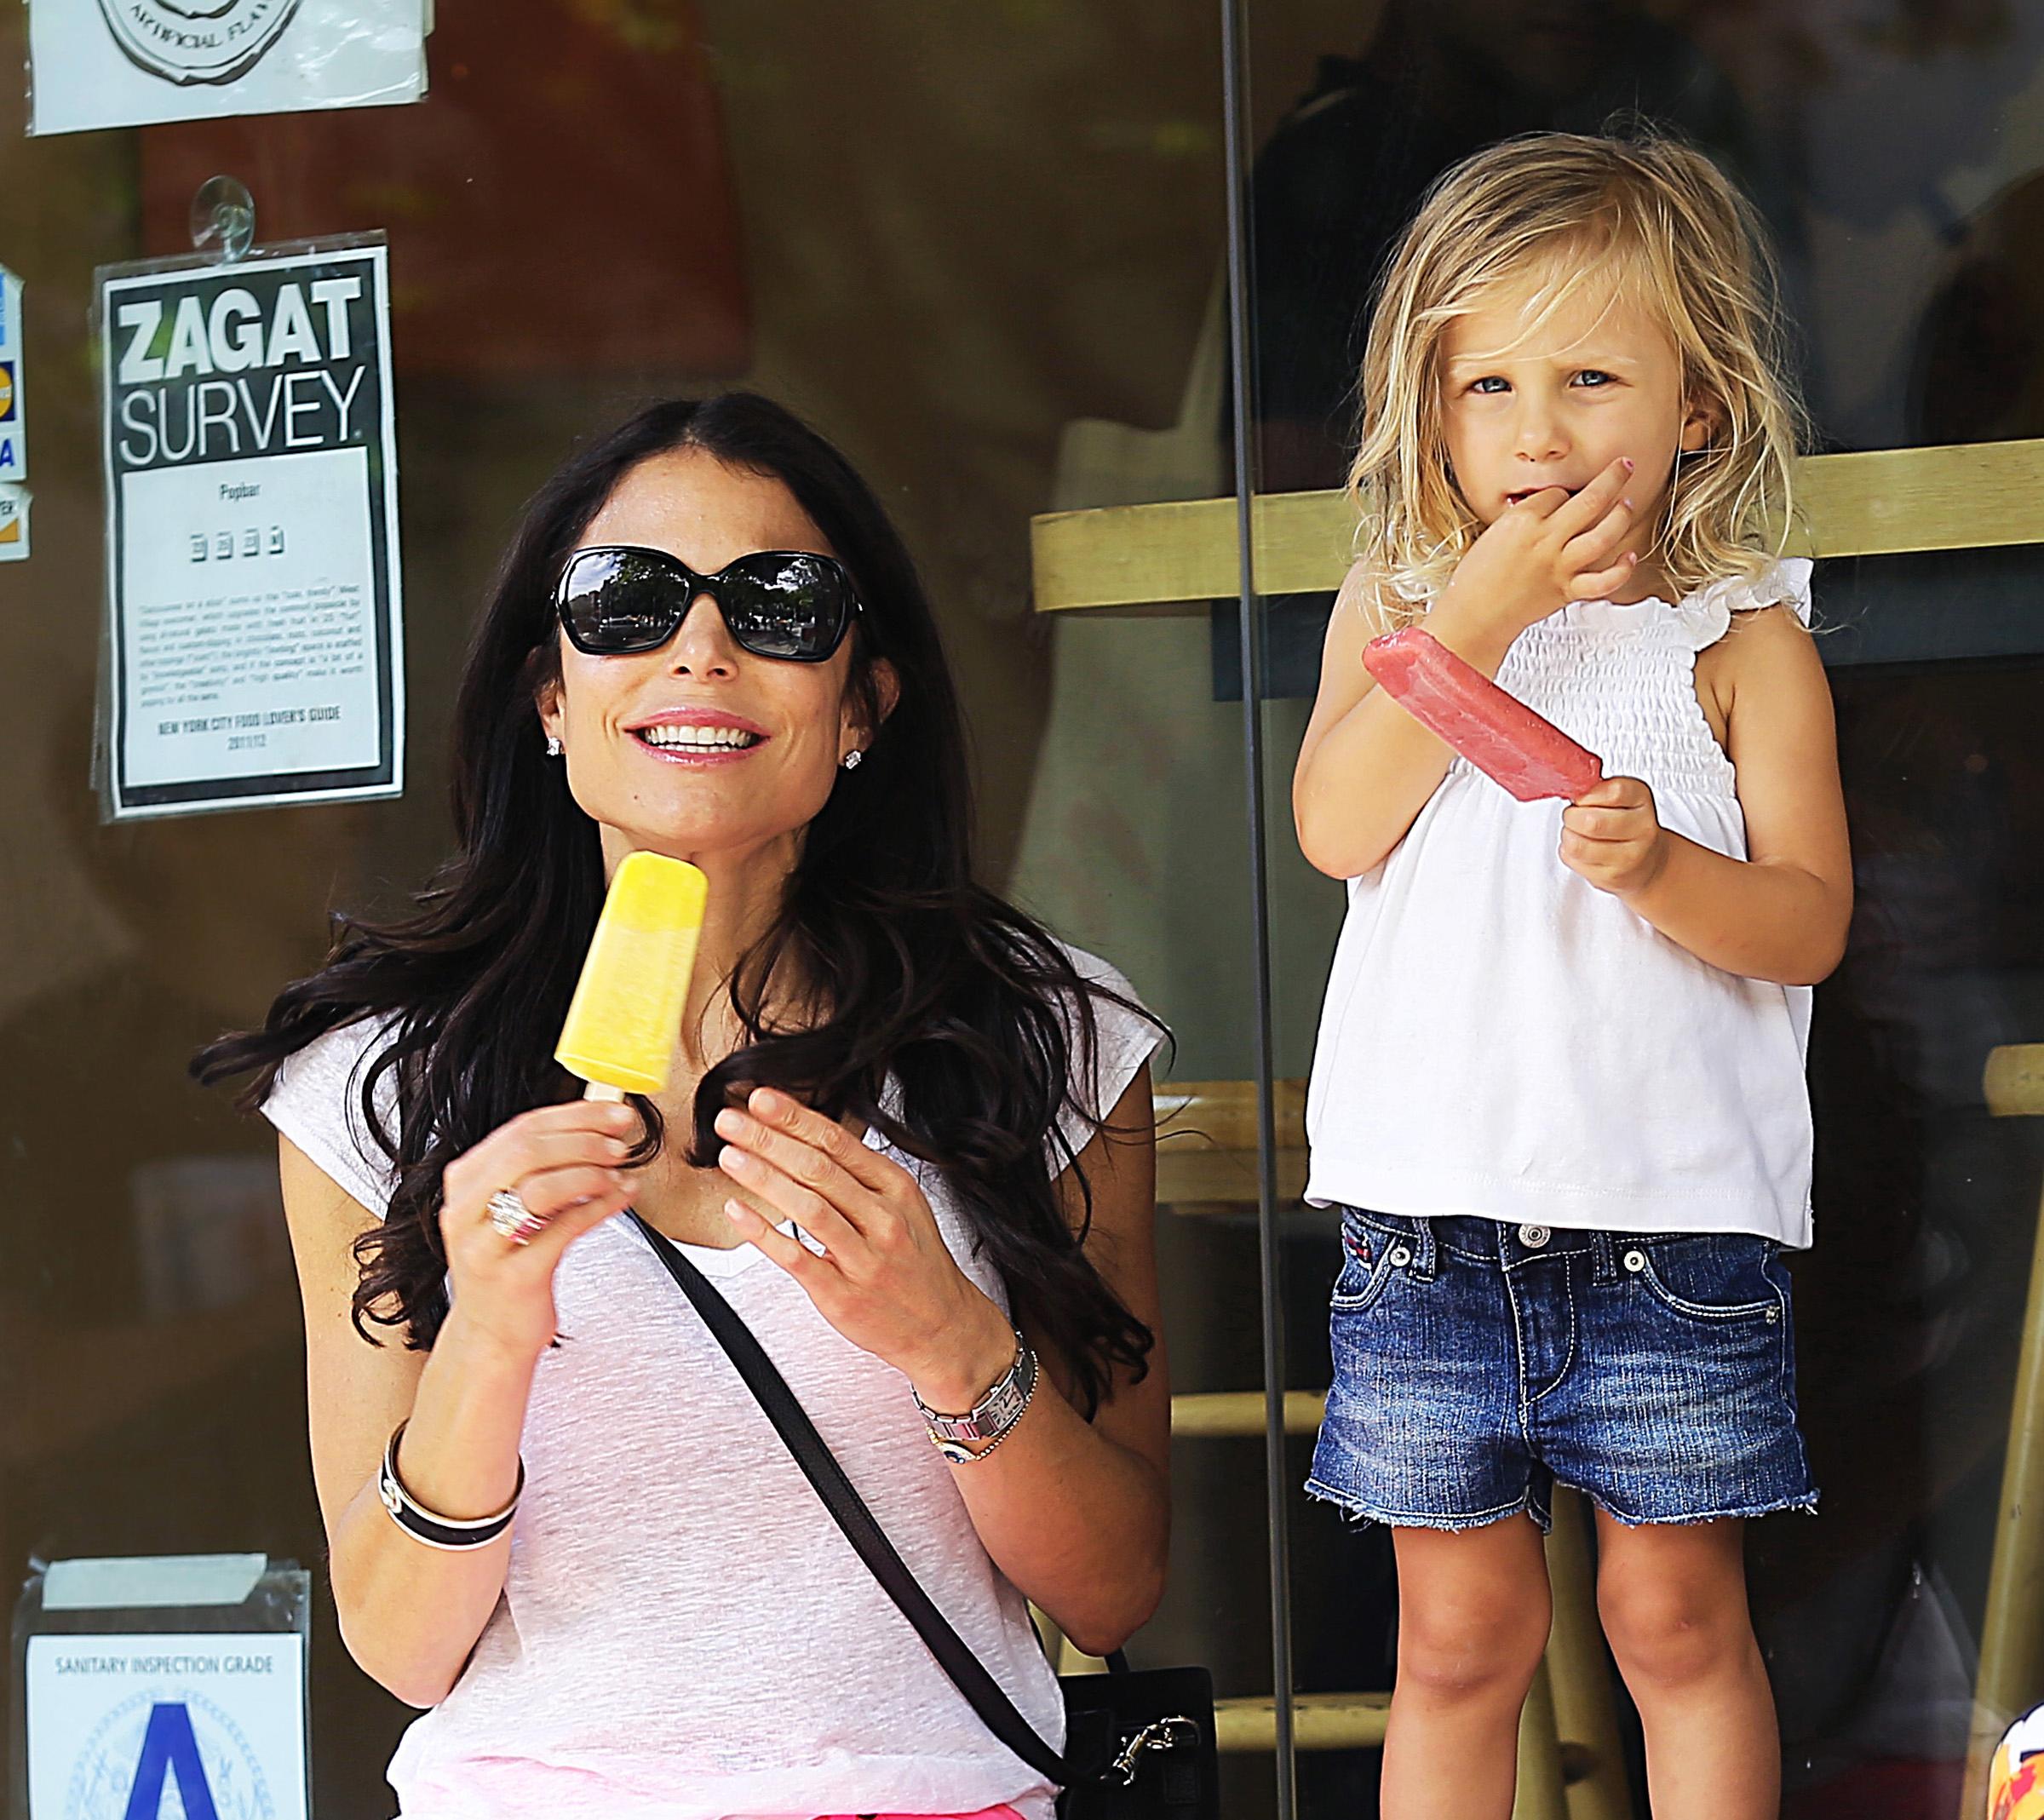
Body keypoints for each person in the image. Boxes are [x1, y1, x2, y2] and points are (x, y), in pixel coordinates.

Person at [196, 393, 1172, 1820]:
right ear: (549, 692)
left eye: (779, 602)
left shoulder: (1045, 1042)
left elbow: (1119, 1579)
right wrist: (495, 1328)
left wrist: (948, 1336)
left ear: (864, 705)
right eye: (628, 601)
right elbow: (402, 1644)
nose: (700, 647)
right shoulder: (379, 1084)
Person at [1291, 131, 1852, 1819]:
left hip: (1670, 1229)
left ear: (1697, 406)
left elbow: (1809, 920)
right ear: (1430, 405)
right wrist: (1466, 620)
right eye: (1490, 386)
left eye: (1592, 377)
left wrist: (1667, 870)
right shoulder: (1391, 606)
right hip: (1428, 1228)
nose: (1535, 434)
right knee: (1458, 1643)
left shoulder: (1744, 638)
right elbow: (1336, 822)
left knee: (1674, 1621)